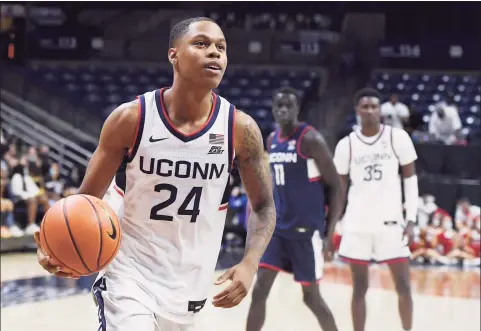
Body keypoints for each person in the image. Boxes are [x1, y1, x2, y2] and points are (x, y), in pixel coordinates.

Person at [34, 17, 276, 331]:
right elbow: (86, 201)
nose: (214, 53)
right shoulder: (131, 119)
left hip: (189, 281)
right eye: (201, 44)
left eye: (221, 47)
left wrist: (250, 263)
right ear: (173, 54)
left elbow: (264, 207)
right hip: (128, 271)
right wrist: (58, 247)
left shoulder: (240, 130)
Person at [246, 87, 343, 331]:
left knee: (311, 298)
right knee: (259, 290)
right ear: (272, 109)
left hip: (305, 231)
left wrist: (329, 233)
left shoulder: (310, 139)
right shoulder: (271, 140)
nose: (283, 110)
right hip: (278, 230)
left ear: (298, 109)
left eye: (289, 106)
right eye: (279, 106)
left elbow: (336, 187)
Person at [333, 88, 418, 331]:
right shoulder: (346, 144)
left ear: (380, 110)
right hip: (357, 223)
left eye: (374, 107)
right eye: (365, 107)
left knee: (403, 286)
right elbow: (339, 189)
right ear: (357, 110)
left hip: (391, 223)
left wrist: (410, 219)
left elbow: (410, 181)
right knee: (359, 288)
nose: (370, 111)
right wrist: (333, 224)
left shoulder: (397, 137)